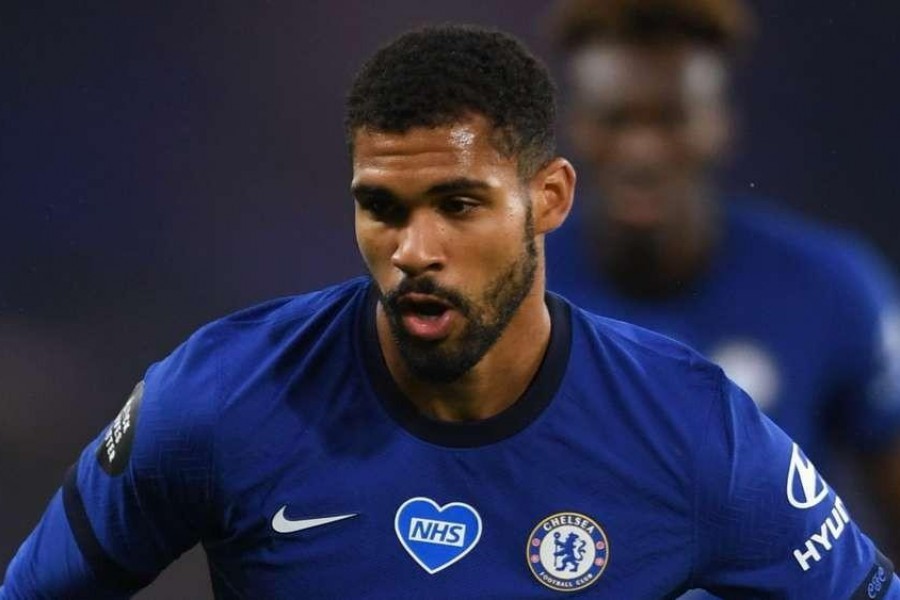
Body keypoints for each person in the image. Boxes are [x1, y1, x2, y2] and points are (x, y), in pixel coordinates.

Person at [1, 24, 897, 599]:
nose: (413, 251)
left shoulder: (695, 430)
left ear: (547, 199)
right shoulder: (216, 401)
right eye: (381, 207)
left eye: (459, 206)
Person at [546, 0, 900, 569]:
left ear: (719, 126)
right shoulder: (510, 293)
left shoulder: (831, 286)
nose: (642, 151)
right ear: (578, 130)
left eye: (671, 118)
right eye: (617, 120)